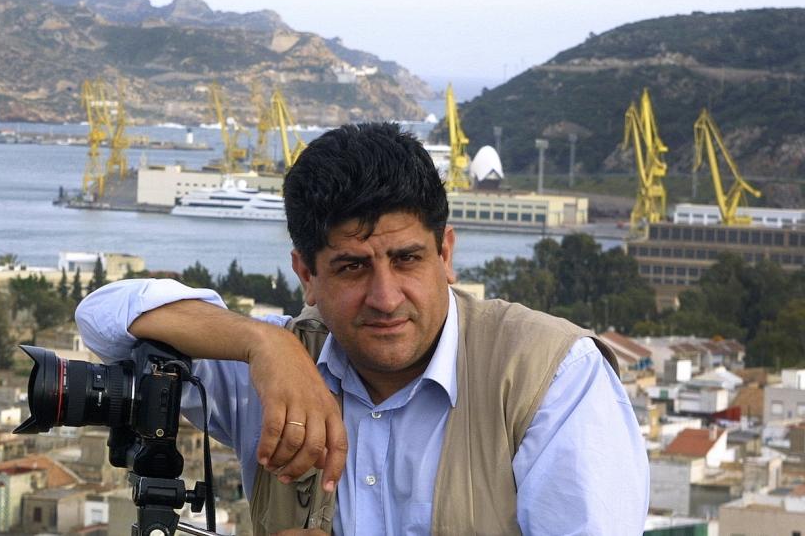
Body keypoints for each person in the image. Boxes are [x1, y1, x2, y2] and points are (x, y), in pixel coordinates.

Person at [77, 122, 649, 535]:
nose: (385, 297)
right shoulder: (276, 370)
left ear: (445, 254)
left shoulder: (550, 374)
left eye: (407, 259)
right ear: (307, 273)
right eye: (352, 267)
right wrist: (262, 341)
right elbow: (104, 318)